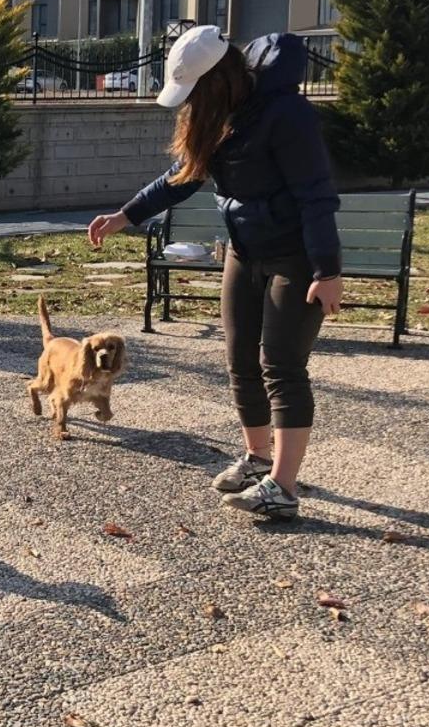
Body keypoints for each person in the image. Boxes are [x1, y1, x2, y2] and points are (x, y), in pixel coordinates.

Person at [89, 26, 342, 521]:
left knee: (281, 366)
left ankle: (283, 488)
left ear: (217, 80)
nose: (188, 105)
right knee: (241, 361)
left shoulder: (286, 115)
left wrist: (327, 270)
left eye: (192, 93)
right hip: (244, 252)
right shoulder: (221, 117)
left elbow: (316, 195)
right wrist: (125, 216)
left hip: (294, 258)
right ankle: (257, 459)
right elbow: (180, 178)